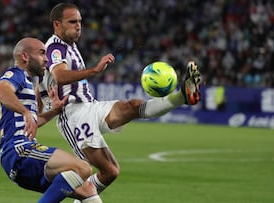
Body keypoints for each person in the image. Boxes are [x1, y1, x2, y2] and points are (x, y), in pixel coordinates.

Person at [38, 3, 201, 200]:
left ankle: (183, 96)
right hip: (74, 116)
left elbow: (45, 86)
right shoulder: (55, 47)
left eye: (80, 21)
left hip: (90, 106)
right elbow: (59, 75)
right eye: (72, 22)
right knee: (101, 171)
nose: (78, 26)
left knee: (131, 109)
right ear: (57, 24)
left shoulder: (70, 46)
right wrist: (94, 70)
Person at [0, 37, 103, 203]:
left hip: (21, 156)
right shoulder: (15, 74)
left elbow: (33, 122)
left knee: (87, 189)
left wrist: (55, 110)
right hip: (19, 151)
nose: (46, 58)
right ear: (25, 56)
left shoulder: (28, 84)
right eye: (42, 53)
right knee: (82, 168)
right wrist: (25, 112)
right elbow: (1, 90)